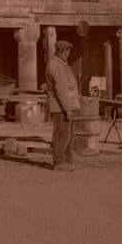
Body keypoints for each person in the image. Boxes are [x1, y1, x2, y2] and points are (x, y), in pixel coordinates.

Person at [44, 40, 80, 171]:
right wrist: (68, 109)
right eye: (68, 51)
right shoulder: (56, 66)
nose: (69, 54)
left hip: (63, 106)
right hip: (60, 107)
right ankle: (59, 162)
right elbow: (61, 90)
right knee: (61, 135)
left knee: (67, 136)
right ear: (64, 52)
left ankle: (66, 162)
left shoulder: (61, 64)